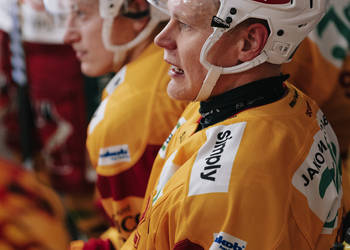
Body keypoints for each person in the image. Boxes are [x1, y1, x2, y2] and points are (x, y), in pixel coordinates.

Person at [120, 0, 343, 249]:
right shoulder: (284, 103)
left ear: (247, 43)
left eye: (184, 24)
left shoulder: (230, 189)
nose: (161, 39)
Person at [45, 0, 188, 248]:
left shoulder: (125, 116)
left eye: (81, 14)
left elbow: (144, 240)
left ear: (136, 11)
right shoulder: (168, 69)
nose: (68, 35)